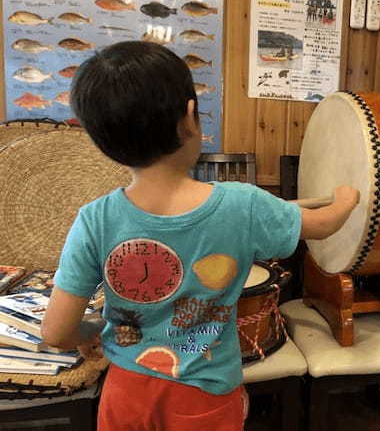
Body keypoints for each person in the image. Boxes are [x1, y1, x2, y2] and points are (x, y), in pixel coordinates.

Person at [40, 41, 359, 431]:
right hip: (203, 395)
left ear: (102, 141)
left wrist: (90, 330)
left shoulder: (94, 220)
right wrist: (347, 198)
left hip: (126, 393)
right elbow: (323, 224)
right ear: (190, 116)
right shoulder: (242, 204)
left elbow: (56, 332)